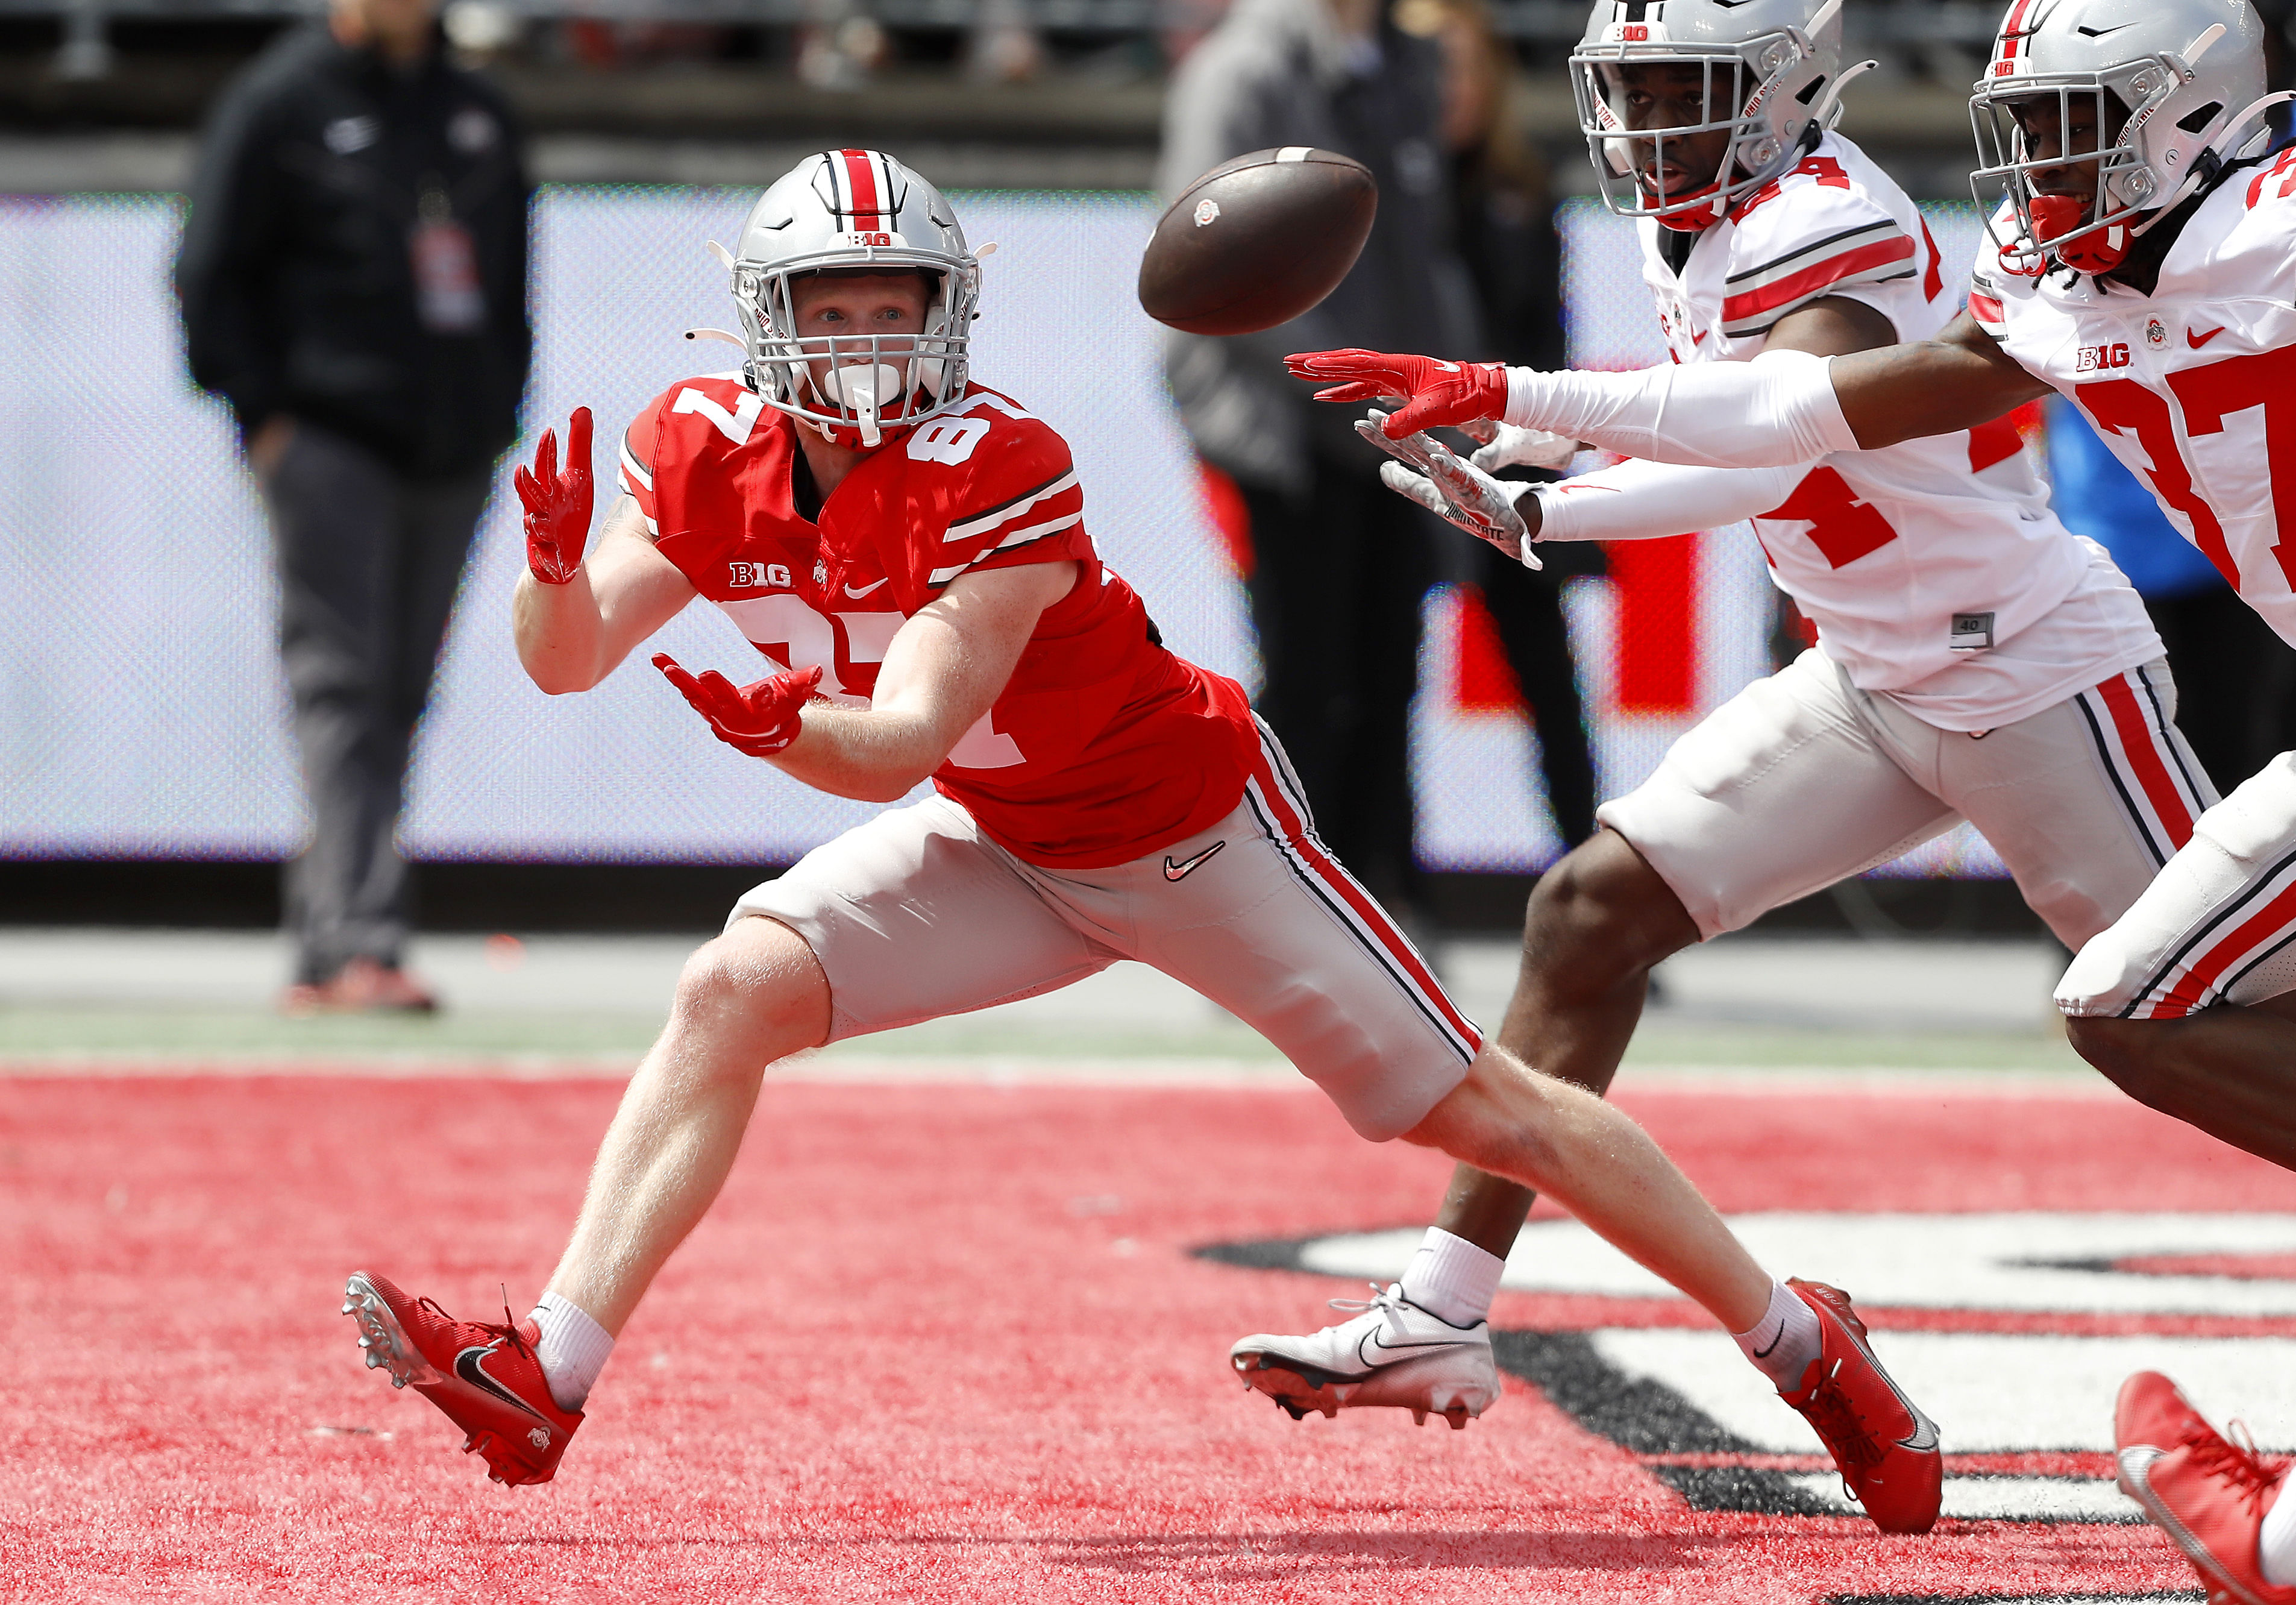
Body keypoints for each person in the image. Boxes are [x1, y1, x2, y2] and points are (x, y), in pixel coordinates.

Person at [333, 149, 1940, 1528]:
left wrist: (782, 728)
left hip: (1185, 836)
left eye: (895, 300)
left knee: (1479, 1111)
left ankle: (1804, 1343)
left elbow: (893, 735)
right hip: (1007, 840)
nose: (868, 334)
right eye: (833, 303)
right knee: (727, 991)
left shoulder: (999, 463)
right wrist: (551, 567)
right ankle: (550, 1372)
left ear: (946, 309)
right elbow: (566, 656)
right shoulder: (700, 445)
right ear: (766, 317)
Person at [1283, 0, 2296, 1595]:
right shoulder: (2047, 268)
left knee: (2206, 1009)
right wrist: (1546, 492)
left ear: (2195, 114)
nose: (2031, 167)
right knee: (1590, 913)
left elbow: (1772, 442)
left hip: (2032, 673)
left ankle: (2289, 1535)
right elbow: (1791, 427)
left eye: (2076, 121)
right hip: (1880, 671)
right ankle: (1441, 1305)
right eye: (2024, 124)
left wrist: (1511, 398)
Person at [175, 0, 531, 1014]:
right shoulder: (279, 101)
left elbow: (508, 287)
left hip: (452, 448)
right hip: (330, 439)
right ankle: (361, 938)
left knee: (399, 695)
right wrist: (270, 419)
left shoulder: (476, 110)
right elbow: (207, 275)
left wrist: (495, 411)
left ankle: (325, 936)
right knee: (343, 686)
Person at [1158, 0, 1475, 916]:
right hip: (1290, 429)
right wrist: (1344, 380)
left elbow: (1431, 254)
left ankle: (1379, 903)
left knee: (1392, 673)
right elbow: (1202, 254)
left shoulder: (1411, 63)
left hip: (1397, 423)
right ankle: (1275, 904)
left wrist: (1442, 390)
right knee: (1305, 679)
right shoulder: (1241, 69)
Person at [2037, 0, 2296, 795]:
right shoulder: (2083, 158)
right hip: (2108, 520)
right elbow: (1984, 344)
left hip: (2270, 533)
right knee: (2108, 793)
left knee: (2255, 778)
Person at [1417, 0, 1603, 853]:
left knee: (1549, 681)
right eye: (1430, 68)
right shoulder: (1378, 193)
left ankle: (1592, 879)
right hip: (1405, 457)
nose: (1447, 86)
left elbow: (1549, 344)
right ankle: (1392, 892)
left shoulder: (1521, 193)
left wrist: (1532, 463)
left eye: (1461, 65)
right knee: (1374, 684)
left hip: (1506, 465)